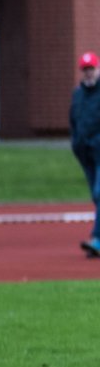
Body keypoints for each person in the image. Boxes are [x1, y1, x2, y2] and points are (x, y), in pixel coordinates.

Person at [70, 51, 100, 257]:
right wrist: (76, 142)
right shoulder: (78, 94)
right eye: (85, 69)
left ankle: (97, 239)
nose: (88, 73)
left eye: (92, 69)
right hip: (85, 152)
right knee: (96, 196)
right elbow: (74, 119)